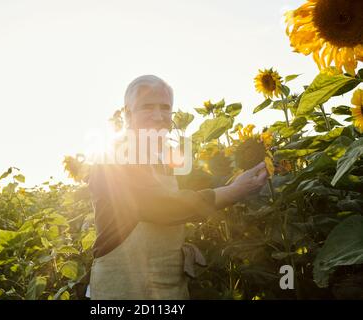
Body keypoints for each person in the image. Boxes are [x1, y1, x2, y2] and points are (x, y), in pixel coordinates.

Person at [87, 75, 269, 299]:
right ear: (127, 114)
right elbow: (159, 206)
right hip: (123, 285)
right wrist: (234, 191)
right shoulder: (113, 157)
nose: (158, 115)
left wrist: (251, 163)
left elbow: (195, 193)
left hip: (168, 285)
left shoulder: (166, 158)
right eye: (147, 107)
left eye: (165, 108)